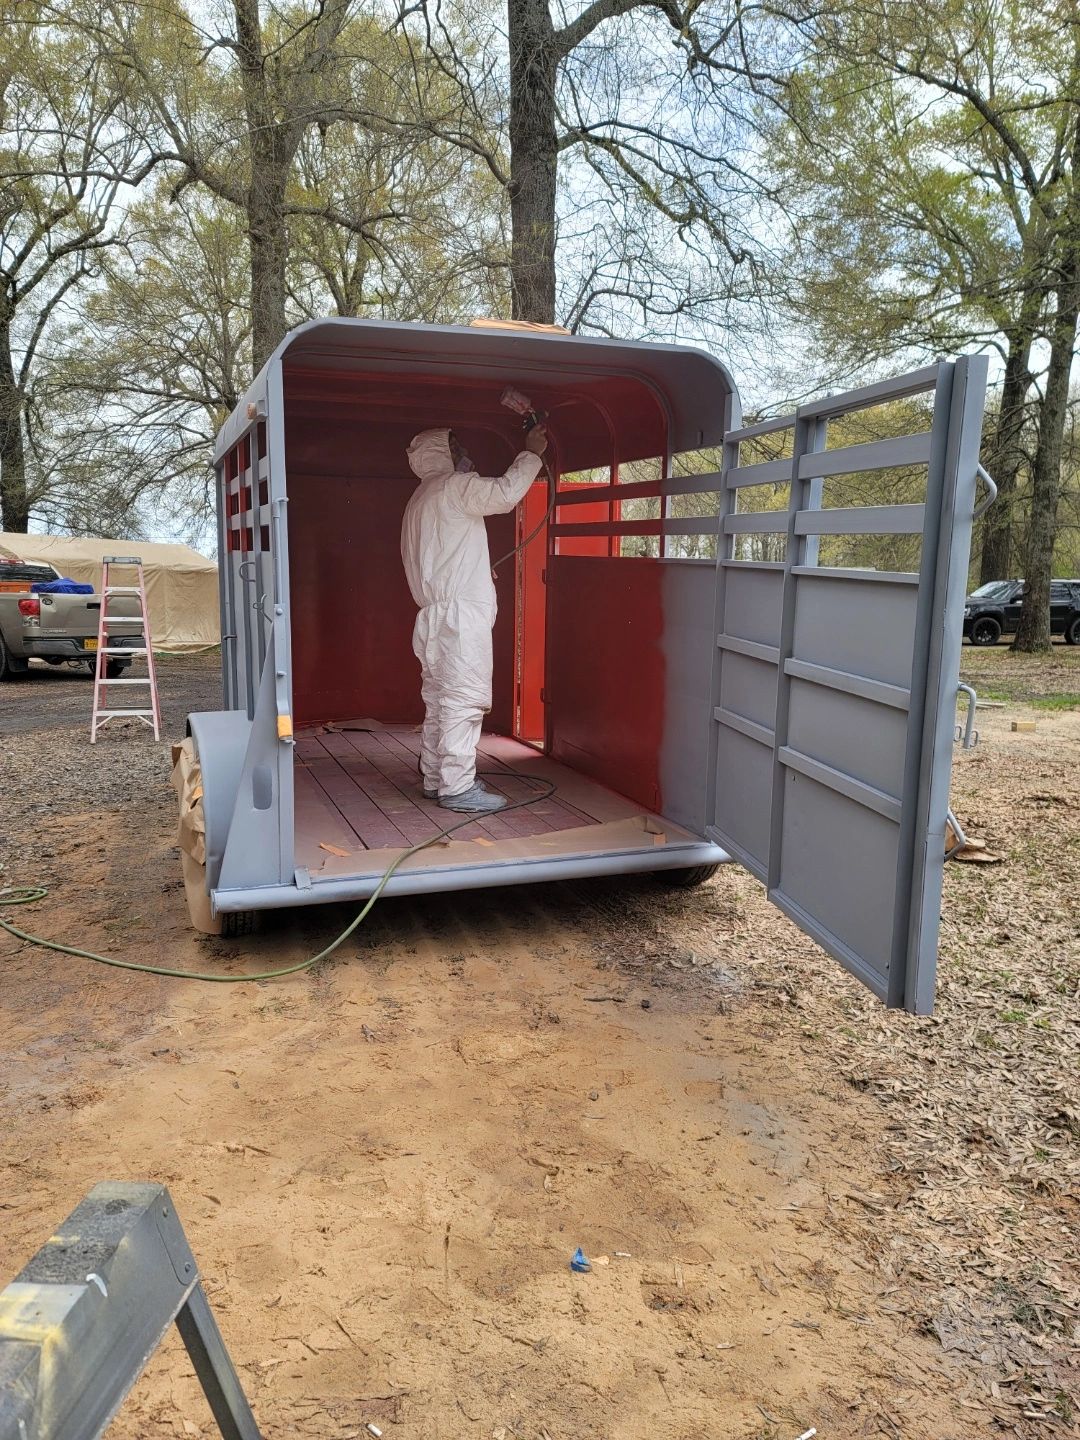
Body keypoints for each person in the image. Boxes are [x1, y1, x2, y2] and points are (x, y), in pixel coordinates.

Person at [401, 424, 548, 813]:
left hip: (433, 616)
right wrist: (531, 453)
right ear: (442, 455)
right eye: (455, 447)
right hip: (461, 620)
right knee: (463, 701)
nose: (464, 453)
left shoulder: (419, 499)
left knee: (439, 700)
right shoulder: (453, 487)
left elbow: (442, 556)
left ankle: (437, 779)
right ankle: (457, 787)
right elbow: (505, 494)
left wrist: (476, 570)